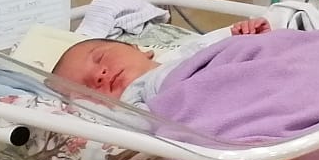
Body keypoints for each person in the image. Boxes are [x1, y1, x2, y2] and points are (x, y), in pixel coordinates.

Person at [52, 18, 270, 102]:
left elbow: (223, 47)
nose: (99, 75)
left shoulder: (185, 55)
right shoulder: (135, 105)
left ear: (139, 49)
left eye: (101, 57)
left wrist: (248, 35)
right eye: (86, 87)